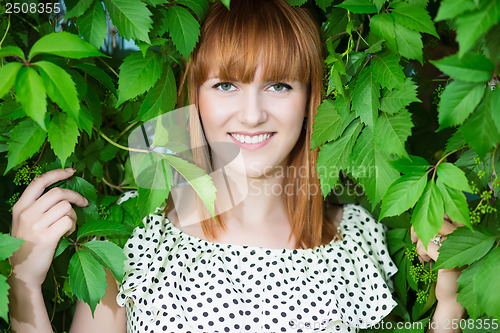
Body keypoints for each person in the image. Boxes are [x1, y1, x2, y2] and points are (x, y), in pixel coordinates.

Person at [8, 0, 465, 332]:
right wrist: (24, 282)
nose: (251, 115)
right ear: (196, 97)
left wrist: (449, 303)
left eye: (280, 86)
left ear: (311, 100)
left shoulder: (357, 237)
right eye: (226, 85)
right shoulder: (135, 234)